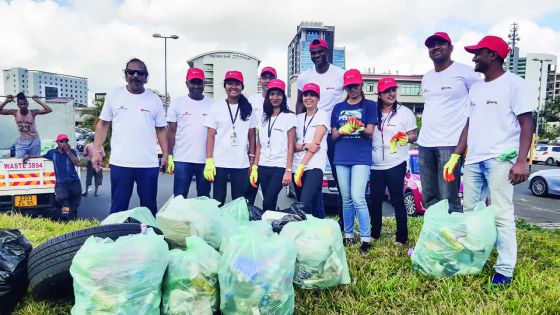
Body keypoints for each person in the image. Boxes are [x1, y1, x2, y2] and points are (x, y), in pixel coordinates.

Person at [453, 36, 534, 286]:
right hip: (474, 160)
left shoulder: (515, 84)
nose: (474, 57)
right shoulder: (476, 88)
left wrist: (522, 161)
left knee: (501, 214)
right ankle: (472, 260)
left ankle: (505, 270)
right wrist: (457, 155)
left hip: (501, 160)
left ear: (494, 56)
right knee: (471, 213)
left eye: (478, 53)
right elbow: (469, 123)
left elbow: (526, 124)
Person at [91, 58, 168, 215]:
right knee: (118, 209)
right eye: (131, 72)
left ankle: (150, 238)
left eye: (140, 73)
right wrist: (96, 151)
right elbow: (103, 124)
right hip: (121, 163)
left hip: (148, 164)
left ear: (146, 77)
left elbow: (161, 129)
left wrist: (166, 154)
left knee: (148, 209)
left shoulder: (154, 100)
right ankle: (115, 238)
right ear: (125, 75)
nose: (135, 75)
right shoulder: (114, 95)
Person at [418, 32, 480, 213]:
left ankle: (453, 240)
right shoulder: (427, 77)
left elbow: (478, 104)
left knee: (448, 198)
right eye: (431, 45)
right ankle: (435, 238)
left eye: (440, 43)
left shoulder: (466, 72)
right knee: (429, 197)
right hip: (424, 144)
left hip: (450, 145)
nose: (435, 47)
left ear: (451, 48)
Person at [295, 38, 345, 218]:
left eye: (320, 52)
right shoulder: (304, 76)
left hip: (334, 134)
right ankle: (317, 218)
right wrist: (298, 131)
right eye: (313, 53)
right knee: (311, 175)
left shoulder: (340, 74)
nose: (317, 56)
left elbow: (351, 100)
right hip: (310, 133)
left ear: (327, 52)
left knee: (339, 180)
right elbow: (299, 103)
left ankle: (343, 222)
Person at [331, 69, 378, 253]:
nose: (352, 89)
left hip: (361, 157)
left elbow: (370, 132)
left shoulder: (369, 105)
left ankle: (366, 238)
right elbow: (334, 135)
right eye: (349, 86)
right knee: (346, 199)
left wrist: (357, 127)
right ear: (345, 87)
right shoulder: (338, 107)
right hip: (341, 156)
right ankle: (348, 235)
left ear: (361, 85)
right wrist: (343, 129)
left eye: (355, 85)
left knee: (358, 197)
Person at [370, 78, 418, 246]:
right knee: (375, 199)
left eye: (393, 90)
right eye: (387, 91)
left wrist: (406, 138)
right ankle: (375, 233)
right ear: (379, 94)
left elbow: (414, 134)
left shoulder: (405, 112)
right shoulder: (372, 111)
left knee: (397, 198)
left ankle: (401, 237)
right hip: (375, 164)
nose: (391, 94)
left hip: (396, 162)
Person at [203, 71, 256, 206]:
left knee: (238, 201)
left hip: (240, 163)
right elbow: (210, 136)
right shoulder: (216, 107)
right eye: (230, 83)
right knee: (217, 200)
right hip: (219, 162)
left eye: (237, 84)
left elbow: (252, 136)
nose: (233, 87)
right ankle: (218, 226)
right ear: (225, 86)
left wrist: (252, 160)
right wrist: (209, 161)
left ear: (242, 87)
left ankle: (236, 226)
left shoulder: (248, 108)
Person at [167, 67, 214, 198]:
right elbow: (171, 131)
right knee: (179, 197)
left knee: (204, 198)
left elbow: (216, 134)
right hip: (182, 159)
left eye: (199, 82)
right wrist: (169, 156)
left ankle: (204, 219)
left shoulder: (213, 105)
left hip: (205, 161)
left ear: (204, 83)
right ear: (187, 83)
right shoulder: (177, 103)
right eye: (193, 82)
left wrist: (212, 159)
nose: (196, 86)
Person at [251, 79, 296, 210]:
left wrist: (288, 170)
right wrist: (255, 167)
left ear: (283, 96)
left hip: (279, 167)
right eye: (272, 94)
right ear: (268, 96)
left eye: (278, 94)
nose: (275, 97)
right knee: (269, 202)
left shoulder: (289, 116)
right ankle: (271, 228)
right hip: (263, 165)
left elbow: (291, 145)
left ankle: (270, 225)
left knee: (268, 201)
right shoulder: (264, 117)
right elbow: (260, 144)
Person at [292, 83, 330, 217]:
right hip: (296, 167)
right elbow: (292, 146)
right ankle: (318, 231)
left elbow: (315, 144)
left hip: (313, 166)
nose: (308, 98)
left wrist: (302, 165)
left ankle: (312, 232)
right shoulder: (297, 118)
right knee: (315, 202)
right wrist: (304, 146)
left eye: (312, 95)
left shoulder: (323, 115)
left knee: (303, 204)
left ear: (318, 98)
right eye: (306, 95)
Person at [25, 134, 81, 220]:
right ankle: (65, 218)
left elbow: (77, 163)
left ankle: (73, 220)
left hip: (74, 182)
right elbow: (41, 156)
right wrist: (29, 156)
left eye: (66, 141)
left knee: (74, 204)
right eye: (62, 141)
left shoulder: (72, 152)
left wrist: (68, 152)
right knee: (64, 202)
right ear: (57, 143)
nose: (64, 143)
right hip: (61, 183)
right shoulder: (52, 153)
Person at [245, 66, 279, 205]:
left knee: (269, 198)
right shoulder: (251, 100)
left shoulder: (283, 100)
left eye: (271, 77)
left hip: (270, 157)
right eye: (264, 78)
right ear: (260, 81)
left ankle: (269, 222)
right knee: (248, 193)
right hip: (252, 152)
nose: (267, 80)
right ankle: (247, 223)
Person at [0, 92, 52, 158]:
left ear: (27, 104)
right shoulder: (15, 112)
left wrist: (38, 100)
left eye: (24, 104)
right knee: (19, 160)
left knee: (35, 161)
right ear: (18, 105)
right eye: (21, 104)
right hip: (22, 141)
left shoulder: (33, 112)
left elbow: (49, 110)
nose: (23, 106)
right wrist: (6, 101)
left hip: (34, 140)